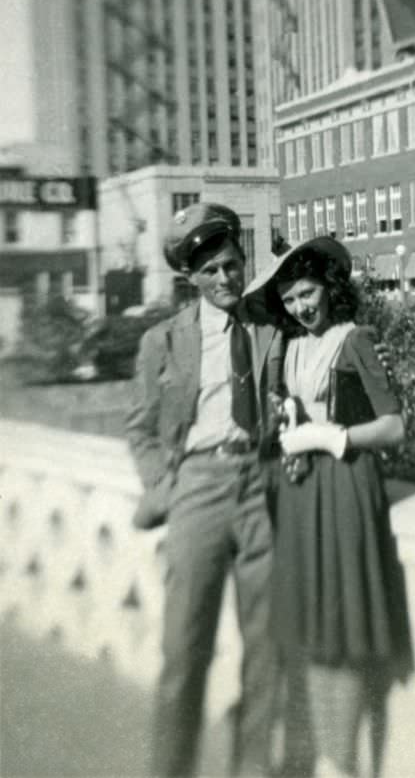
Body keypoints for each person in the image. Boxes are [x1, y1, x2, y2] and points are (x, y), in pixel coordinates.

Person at [243, 236, 411, 778]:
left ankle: (343, 763)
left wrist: (331, 435)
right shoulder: (290, 348)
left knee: (340, 630)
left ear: (329, 289)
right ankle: (326, 757)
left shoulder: (355, 339)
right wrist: (290, 421)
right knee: (312, 629)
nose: (300, 307)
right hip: (300, 493)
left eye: (308, 293)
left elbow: (394, 426)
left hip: (344, 485)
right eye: (290, 300)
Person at [126, 203, 284, 778]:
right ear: (190, 278)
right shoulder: (162, 342)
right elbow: (140, 428)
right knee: (183, 649)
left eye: (232, 265)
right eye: (212, 270)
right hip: (198, 490)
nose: (225, 279)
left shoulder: (270, 329)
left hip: (260, 488)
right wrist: (163, 487)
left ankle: (253, 770)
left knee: (266, 651)